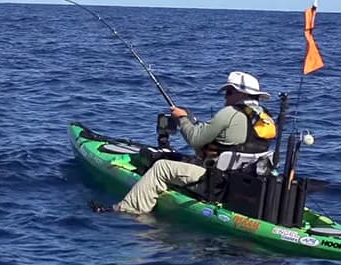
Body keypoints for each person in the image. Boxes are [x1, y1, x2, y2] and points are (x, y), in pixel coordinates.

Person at [93, 71, 275, 214]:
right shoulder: (265, 118)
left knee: (161, 167)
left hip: (217, 182)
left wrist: (182, 119)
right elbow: (231, 144)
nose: (225, 98)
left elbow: (195, 139)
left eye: (228, 92)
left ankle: (128, 210)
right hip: (244, 182)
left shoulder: (229, 113)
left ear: (239, 94)